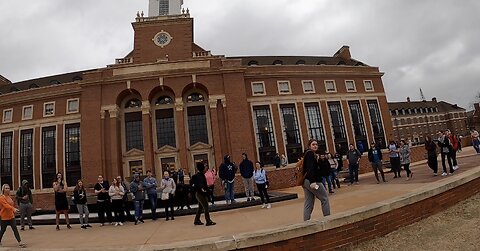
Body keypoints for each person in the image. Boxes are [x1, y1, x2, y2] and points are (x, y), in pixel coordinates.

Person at [302, 139, 330, 221]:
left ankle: (306, 221)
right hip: (313, 181)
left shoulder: (311, 155)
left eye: (316, 144)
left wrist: (322, 160)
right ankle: (328, 219)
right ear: (309, 146)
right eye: (313, 144)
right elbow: (310, 168)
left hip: (305, 181)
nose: (315, 146)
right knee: (324, 198)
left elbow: (323, 170)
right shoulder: (310, 154)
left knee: (309, 202)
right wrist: (313, 182)